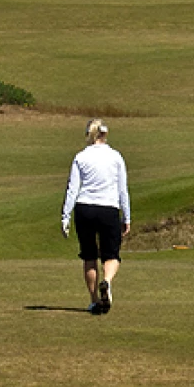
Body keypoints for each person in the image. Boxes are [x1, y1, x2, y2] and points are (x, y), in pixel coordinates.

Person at [61, 119, 131, 315]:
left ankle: (94, 301)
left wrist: (65, 216)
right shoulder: (116, 157)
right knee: (112, 255)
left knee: (89, 256)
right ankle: (106, 282)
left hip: (85, 208)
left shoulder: (81, 157)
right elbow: (122, 190)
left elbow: (72, 189)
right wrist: (127, 216)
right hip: (108, 208)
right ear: (105, 135)